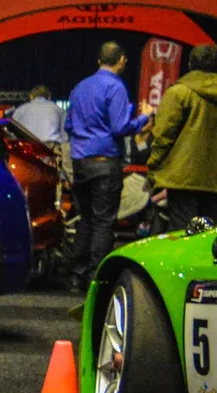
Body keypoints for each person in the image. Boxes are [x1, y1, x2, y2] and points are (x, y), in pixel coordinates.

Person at [65, 41, 153, 291]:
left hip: (80, 162)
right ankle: (97, 277)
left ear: (98, 61)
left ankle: (76, 275)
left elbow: (68, 125)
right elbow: (120, 128)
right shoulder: (115, 87)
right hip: (105, 163)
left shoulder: (80, 87)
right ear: (122, 60)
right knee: (104, 222)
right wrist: (144, 117)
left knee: (86, 219)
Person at [147, 42, 217, 232]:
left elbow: (163, 135)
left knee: (182, 231)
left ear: (191, 64)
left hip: (182, 177)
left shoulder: (179, 92)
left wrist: (153, 166)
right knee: (213, 234)